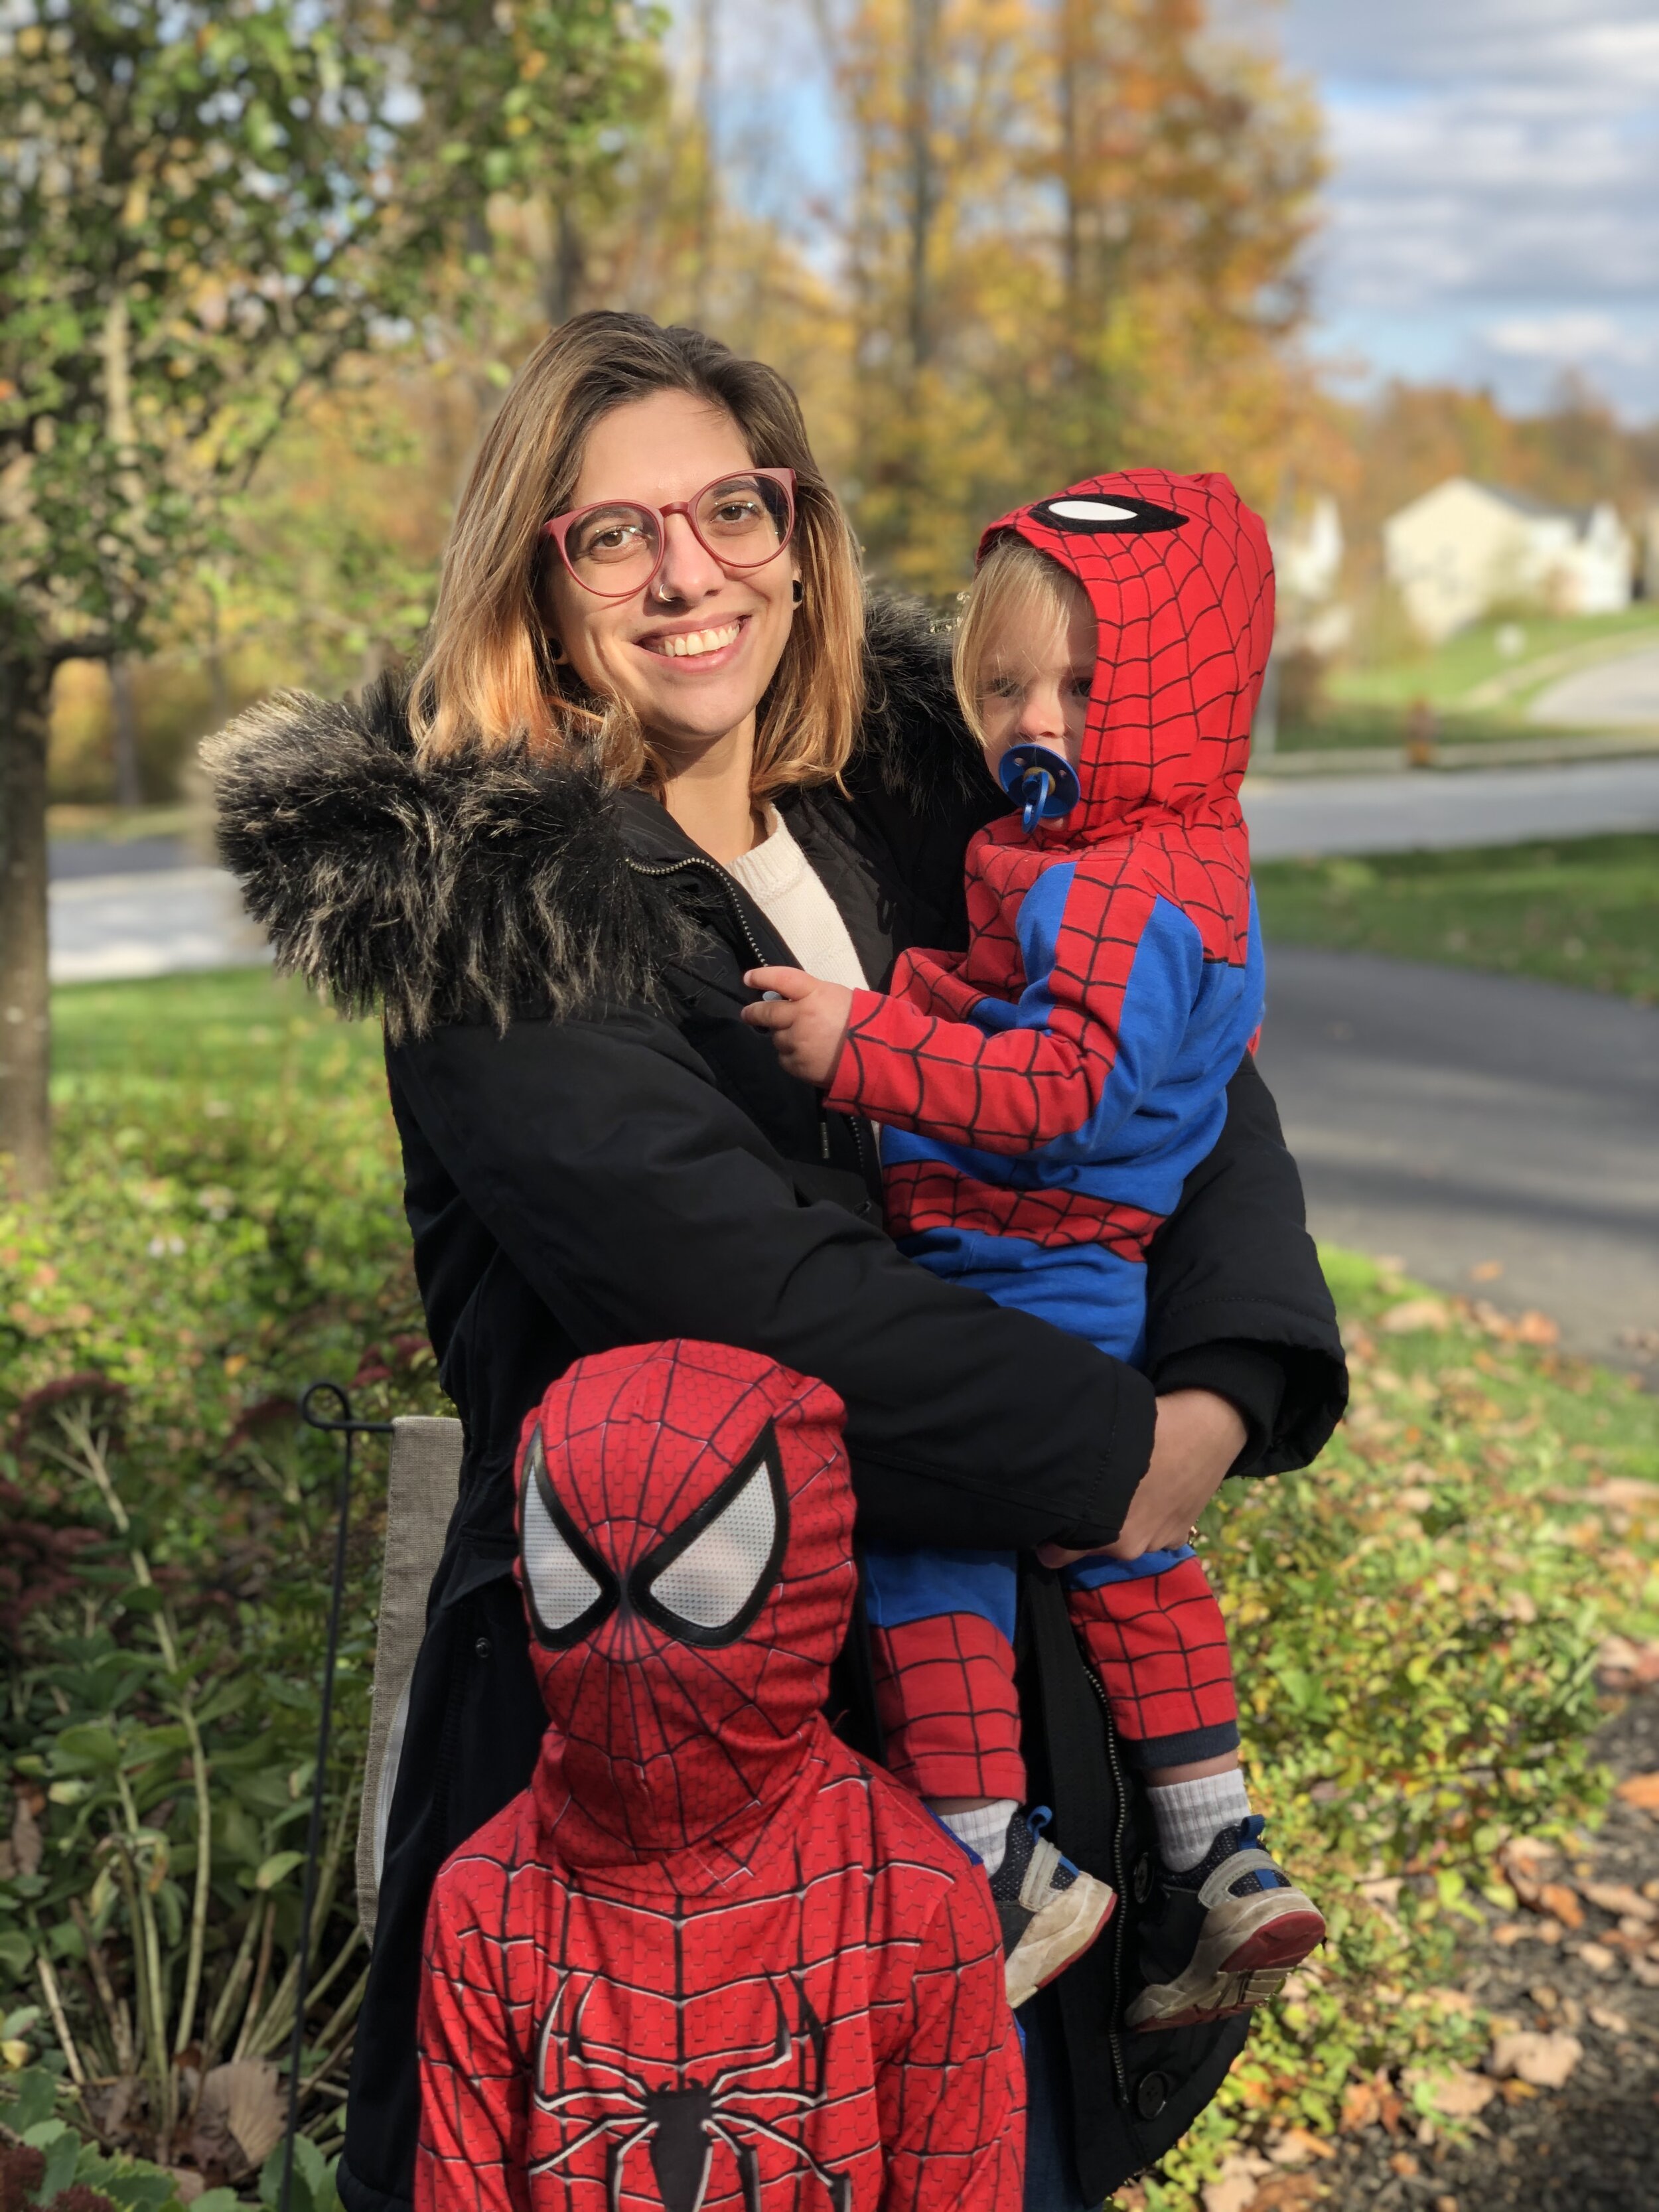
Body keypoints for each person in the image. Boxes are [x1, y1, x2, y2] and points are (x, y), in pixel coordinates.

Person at [208, 310, 1346, 2212]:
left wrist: (1225, 1385)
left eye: (729, 508)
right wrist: (1109, 1453)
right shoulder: (495, 924)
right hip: (676, 1774)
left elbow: (1179, 1072)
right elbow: (754, 1296)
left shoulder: (925, 806)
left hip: (994, 1705)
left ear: (798, 531)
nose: (688, 575)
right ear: (535, 584)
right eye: (613, 534)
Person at [741, 471, 1325, 2031]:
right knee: (1127, 1554)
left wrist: (865, 1043)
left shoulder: (1108, 879)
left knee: (931, 1540)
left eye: (1078, 686)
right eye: (1000, 688)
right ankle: (1218, 1846)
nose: (1031, 722)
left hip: (1015, 1250)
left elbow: (1071, 1083)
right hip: (1083, 1265)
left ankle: (989, 1853)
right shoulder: (1169, 848)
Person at [417, 1338, 1023, 2212]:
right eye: (576, 1584)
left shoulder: (917, 1900)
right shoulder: (482, 1904)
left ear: (803, 1580)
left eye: (696, 1589)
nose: (627, 1648)